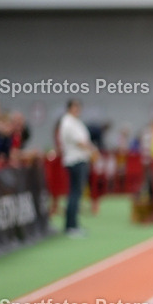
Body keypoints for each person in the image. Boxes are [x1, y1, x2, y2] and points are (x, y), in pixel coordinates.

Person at [59, 99, 96, 237]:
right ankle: (71, 226)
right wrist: (93, 150)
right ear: (69, 108)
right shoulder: (68, 122)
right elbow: (80, 142)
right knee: (74, 193)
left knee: (77, 193)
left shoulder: (76, 122)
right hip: (75, 160)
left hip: (81, 159)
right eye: (75, 107)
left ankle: (73, 224)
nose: (78, 109)